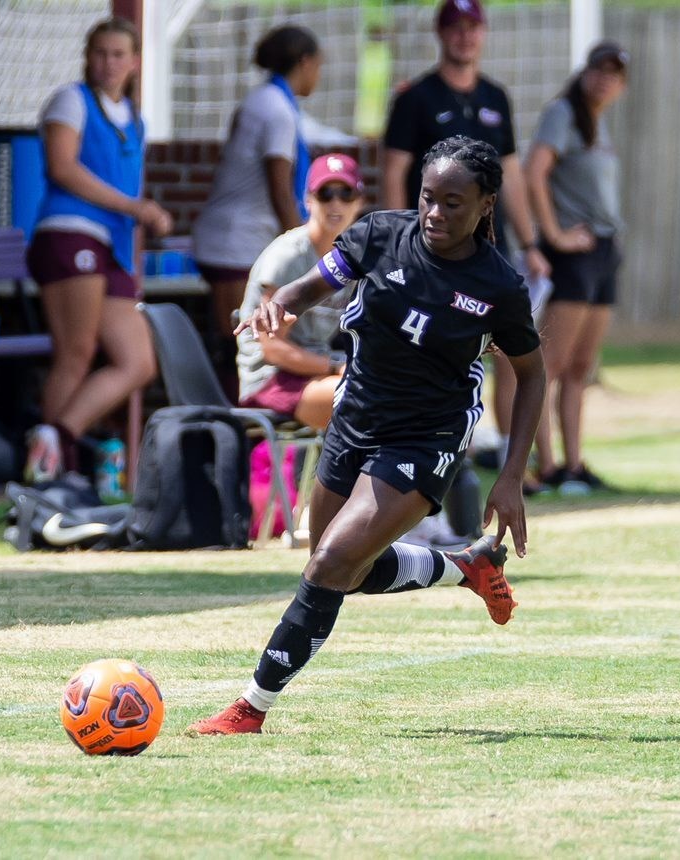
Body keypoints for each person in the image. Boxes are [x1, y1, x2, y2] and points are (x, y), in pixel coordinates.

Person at [189, 136, 546, 736]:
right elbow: (310, 285)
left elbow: (533, 375)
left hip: (425, 436)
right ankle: (467, 565)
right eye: (428, 198)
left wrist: (511, 476)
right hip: (355, 416)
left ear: (486, 204)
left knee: (330, 563)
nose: (435, 213)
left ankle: (250, 708)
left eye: (453, 203)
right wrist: (282, 308)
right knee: (341, 569)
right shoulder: (380, 234)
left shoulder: (497, 286)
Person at [381, 0, 549, 494]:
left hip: (488, 252)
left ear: (484, 33)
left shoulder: (496, 96)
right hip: (431, 250)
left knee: (510, 349)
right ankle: (447, 452)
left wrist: (532, 241)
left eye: (472, 27)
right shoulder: (416, 98)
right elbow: (393, 171)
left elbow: (513, 173)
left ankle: (507, 455)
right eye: (455, 27)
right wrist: (398, 239)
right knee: (436, 344)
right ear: (440, 34)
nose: (464, 37)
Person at [23, 17, 172, 482]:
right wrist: (135, 207)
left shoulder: (135, 119)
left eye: (118, 54)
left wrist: (149, 215)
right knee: (76, 351)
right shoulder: (71, 101)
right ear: (88, 57)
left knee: (138, 362)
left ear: (134, 62)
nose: (108, 63)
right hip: (69, 234)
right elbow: (62, 168)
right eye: (100, 53)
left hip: (114, 248)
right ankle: (51, 473)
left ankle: (56, 436)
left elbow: (132, 189)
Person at [524, 40, 629, 493]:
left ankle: (574, 463)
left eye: (615, 73)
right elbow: (533, 173)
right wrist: (555, 235)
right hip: (575, 255)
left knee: (581, 365)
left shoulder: (597, 124)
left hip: (604, 251)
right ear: (584, 72)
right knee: (552, 362)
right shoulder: (562, 114)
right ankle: (546, 465)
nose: (605, 79)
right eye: (599, 70)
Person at [192, 25, 324, 377]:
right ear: (305, 62)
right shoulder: (277, 111)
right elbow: (280, 189)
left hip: (230, 239)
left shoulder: (262, 100)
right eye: (318, 66)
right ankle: (229, 428)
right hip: (234, 244)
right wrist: (302, 246)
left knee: (237, 339)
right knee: (239, 341)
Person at [236, 153, 366, 432]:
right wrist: (334, 367)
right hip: (271, 379)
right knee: (360, 399)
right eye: (325, 194)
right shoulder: (287, 256)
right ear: (308, 200)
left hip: (316, 374)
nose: (335, 203)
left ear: (360, 202)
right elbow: (271, 349)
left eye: (346, 194)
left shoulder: (352, 257)